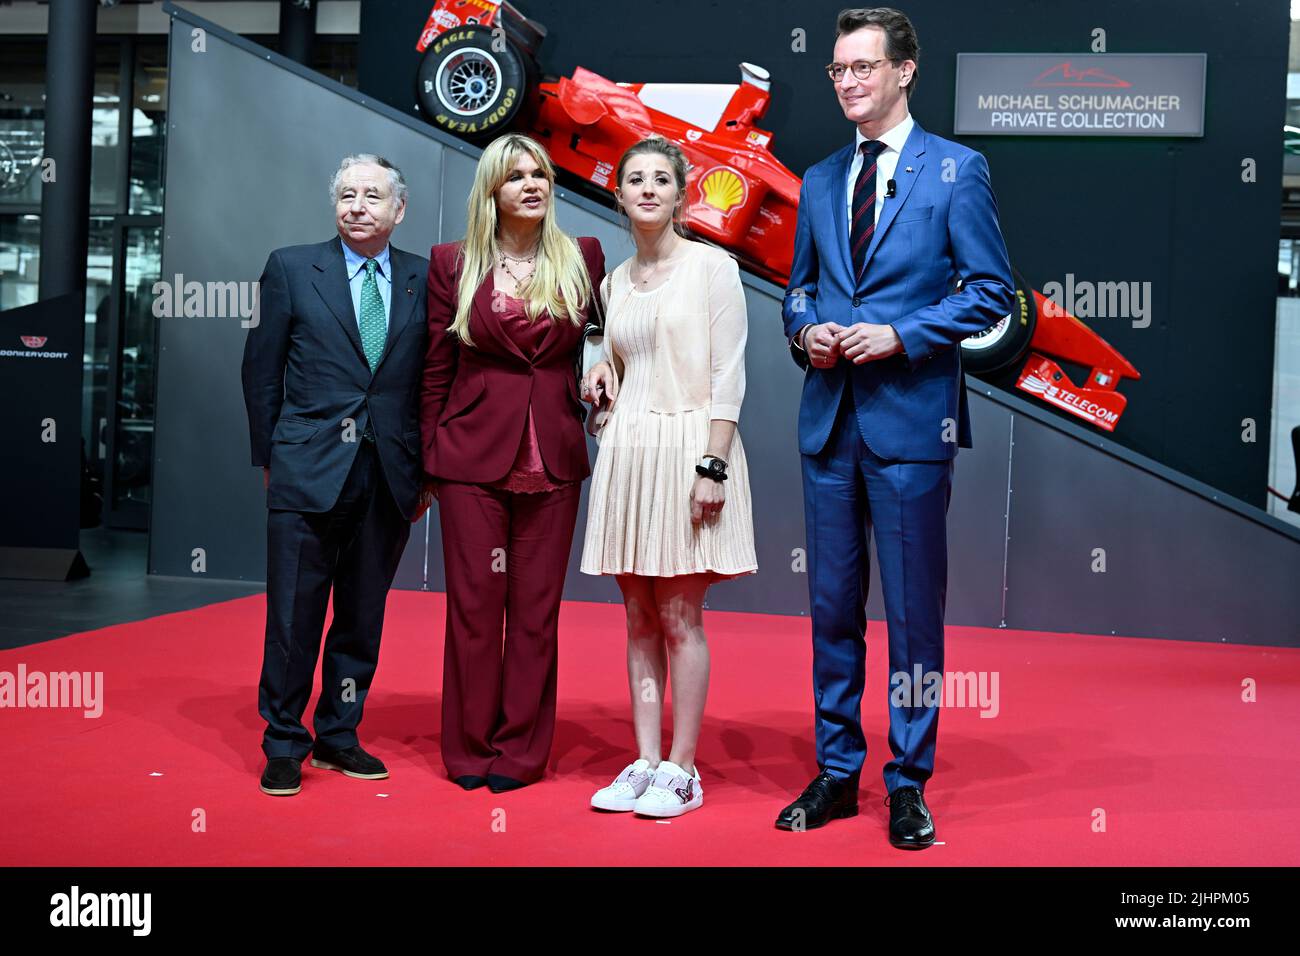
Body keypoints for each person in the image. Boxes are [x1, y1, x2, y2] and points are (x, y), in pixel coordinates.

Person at [775, 7, 1015, 847]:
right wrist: (808, 332)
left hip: (913, 424)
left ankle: (908, 781)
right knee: (830, 610)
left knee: (914, 618)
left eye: (863, 68)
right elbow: (796, 291)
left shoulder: (957, 170)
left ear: (904, 71)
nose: (847, 82)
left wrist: (902, 333)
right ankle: (837, 773)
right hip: (830, 423)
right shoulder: (816, 179)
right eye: (838, 70)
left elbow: (991, 292)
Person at [421, 133, 604, 794]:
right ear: (492, 191)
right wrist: (428, 463)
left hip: (553, 458)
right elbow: (434, 370)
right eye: (516, 176)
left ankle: (522, 752)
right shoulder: (452, 262)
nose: (532, 184)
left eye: (541, 174)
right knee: (474, 609)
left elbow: (601, 341)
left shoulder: (582, 257)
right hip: (469, 461)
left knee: (535, 613)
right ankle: (469, 749)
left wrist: (604, 368)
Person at [241, 154, 429, 796]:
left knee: (360, 614)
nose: (357, 206)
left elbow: (432, 385)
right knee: (293, 615)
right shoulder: (291, 268)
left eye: (372, 196)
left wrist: (425, 471)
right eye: (347, 195)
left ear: (398, 210)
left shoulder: (423, 279)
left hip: (389, 476)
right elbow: (261, 372)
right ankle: (284, 741)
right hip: (307, 469)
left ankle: (339, 736)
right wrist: (272, 457)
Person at [581, 135, 757, 819]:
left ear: (681, 193)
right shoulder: (614, 280)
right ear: (617, 193)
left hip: (690, 448)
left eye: (661, 179)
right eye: (635, 179)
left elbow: (727, 375)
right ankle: (646, 759)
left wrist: (711, 466)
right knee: (637, 616)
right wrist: (600, 367)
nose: (648, 189)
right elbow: (616, 353)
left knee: (682, 615)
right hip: (629, 452)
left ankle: (684, 770)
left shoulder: (713, 268)